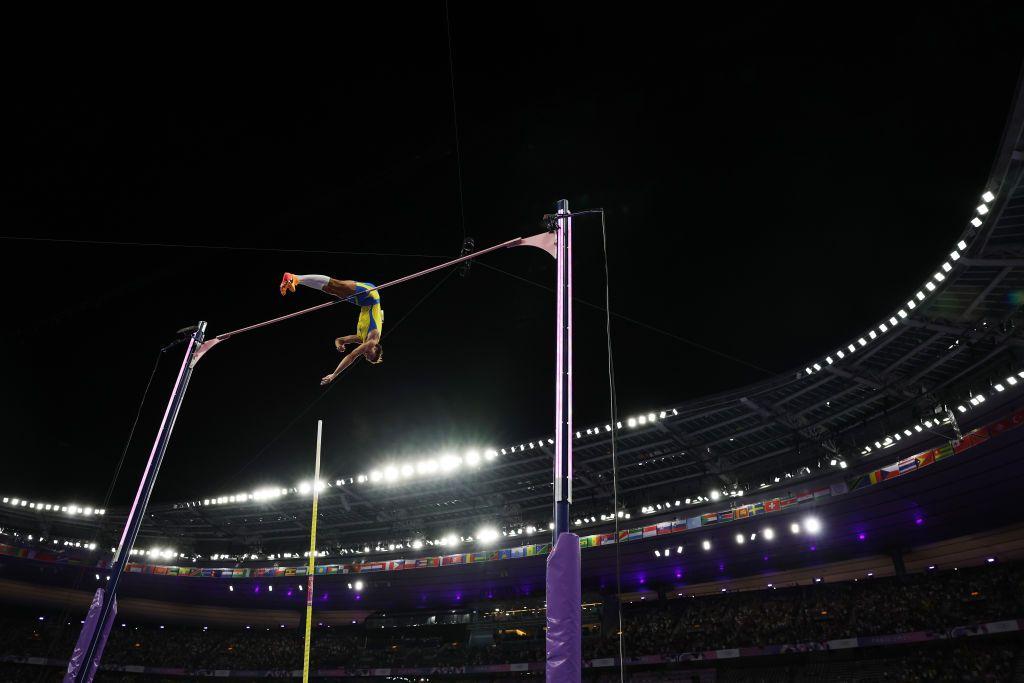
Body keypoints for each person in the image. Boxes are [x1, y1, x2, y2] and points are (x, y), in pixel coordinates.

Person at [279, 273, 383, 384]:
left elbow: (339, 339)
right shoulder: (372, 340)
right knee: (336, 284)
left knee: (331, 290)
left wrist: (339, 345)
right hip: (371, 295)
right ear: (375, 347)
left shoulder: (360, 338)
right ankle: (293, 277)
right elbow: (352, 356)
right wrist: (334, 375)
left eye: (366, 357)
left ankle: (295, 280)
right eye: (369, 354)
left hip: (363, 302)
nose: (365, 354)